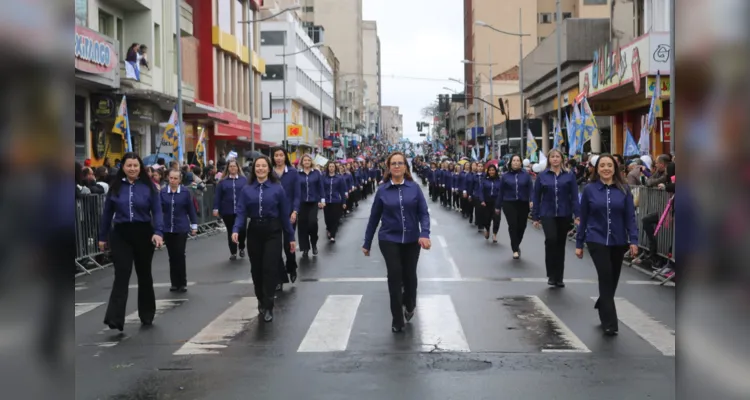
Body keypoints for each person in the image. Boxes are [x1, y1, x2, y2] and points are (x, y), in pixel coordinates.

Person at [362, 152, 431, 333]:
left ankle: (410, 304)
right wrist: (367, 242)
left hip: (411, 239)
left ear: (405, 167)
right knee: (394, 275)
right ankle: (397, 319)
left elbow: (423, 213)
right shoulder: (382, 190)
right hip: (388, 239)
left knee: (409, 276)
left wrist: (424, 233)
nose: (397, 166)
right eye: (394, 163)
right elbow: (374, 217)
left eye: (400, 163)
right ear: (389, 167)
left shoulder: (414, 188)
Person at [98, 152, 164, 331]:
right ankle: (115, 318)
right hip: (121, 234)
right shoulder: (115, 187)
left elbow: (157, 211)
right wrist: (102, 237)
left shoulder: (149, 187)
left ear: (140, 167)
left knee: (144, 274)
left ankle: (147, 314)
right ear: (123, 167)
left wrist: (158, 232)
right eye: (129, 166)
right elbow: (106, 214)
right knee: (122, 274)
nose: (132, 169)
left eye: (135, 165)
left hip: (143, 233)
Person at [576, 154, 638, 336]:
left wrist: (633, 240)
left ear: (615, 168)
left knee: (613, 280)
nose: (605, 168)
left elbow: (630, 218)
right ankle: (610, 323)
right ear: (597, 169)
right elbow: (584, 218)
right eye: (602, 165)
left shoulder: (624, 189)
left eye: (609, 165)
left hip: (618, 240)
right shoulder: (589, 190)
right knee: (605, 277)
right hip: (596, 239)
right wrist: (579, 243)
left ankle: (603, 302)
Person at [232, 156, 296, 323]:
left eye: (263, 166)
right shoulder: (247, 190)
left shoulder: (277, 189)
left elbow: (284, 214)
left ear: (269, 169)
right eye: (257, 166)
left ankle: (268, 305)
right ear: (254, 169)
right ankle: (260, 297)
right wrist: (236, 229)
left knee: (270, 268)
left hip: (273, 231)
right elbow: (240, 212)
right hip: (254, 230)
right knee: (257, 270)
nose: (260, 169)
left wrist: (290, 237)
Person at [532, 149, 580, 288]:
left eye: (557, 156)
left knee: (560, 244)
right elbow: (536, 197)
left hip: (564, 213)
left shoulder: (569, 176)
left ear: (562, 159)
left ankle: (559, 277)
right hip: (547, 213)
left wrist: (578, 215)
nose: (555, 159)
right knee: (551, 240)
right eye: (552, 157)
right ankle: (551, 274)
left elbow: (575, 197)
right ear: (549, 160)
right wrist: (535, 216)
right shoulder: (542, 176)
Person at [160, 169, 198, 293]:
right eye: (171, 178)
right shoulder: (163, 192)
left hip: (181, 227)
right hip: (167, 227)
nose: (173, 181)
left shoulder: (185, 192)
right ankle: (174, 283)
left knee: (180, 254)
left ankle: (182, 282)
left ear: (180, 180)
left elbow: (190, 209)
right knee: (172, 256)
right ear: (168, 178)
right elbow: (159, 210)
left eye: (176, 178)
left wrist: (194, 225)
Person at [495, 154, 533, 259]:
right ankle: (515, 249)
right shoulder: (505, 176)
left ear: (521, 163)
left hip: (523, 203)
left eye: (518, 160)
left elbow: (531, 189)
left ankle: (517, 243)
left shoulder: (526, 176)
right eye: (514, 160)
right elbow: (501, 192)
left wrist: (532, 200)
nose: (516, 162)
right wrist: (497, 206)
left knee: (522, 226)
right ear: (511, 162)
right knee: (513, 225)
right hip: (509, 203)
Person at [271, 147, 300, 287]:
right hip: (273, 214)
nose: (278, 158)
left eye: (281, 155)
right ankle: (278, 278)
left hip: (289, 214)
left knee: (289, 244)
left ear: (285, 157)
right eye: (276, 155)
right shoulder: (269, 173)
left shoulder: (293, 173)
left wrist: (295, 211)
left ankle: (292, 266)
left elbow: (297, 194)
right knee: (275, 247)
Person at [213, 159, 248, 260]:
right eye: (231, 166)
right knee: (231, 231)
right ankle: (233, 252)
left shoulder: (244, 180)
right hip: (227, 211)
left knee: (242, 230)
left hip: (241, 211)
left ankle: (241, 246)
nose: (233, 168)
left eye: (234, 166)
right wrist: (216, 208)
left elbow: (248, 194)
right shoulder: (223, 182)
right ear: (228, 168)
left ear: (238, 168)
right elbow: (218, 196)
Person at [297, 154, 325, 257]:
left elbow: (321, 187)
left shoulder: (316, 173)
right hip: (301, 202)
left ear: (311, 162)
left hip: (313, 202)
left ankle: (314, 244)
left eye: (309, 160)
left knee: (312, 223)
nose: (307, 162)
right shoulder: (298, 174)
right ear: (302, 162)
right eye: (305, 160)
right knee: (302, 225)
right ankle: (305, 248)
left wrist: (322, 200)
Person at [322, 161, 348, 242]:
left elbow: (342, 191)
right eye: (330, 166)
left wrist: (344, 202)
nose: (331, 168)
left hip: (336, 201)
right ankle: (329, 229)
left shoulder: (339, 178)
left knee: (335, 219)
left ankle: (333, 235)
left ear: (335, 168)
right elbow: (321, 189)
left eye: (333, 166)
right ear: (328, 168)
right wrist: (321, 200)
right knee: (327, 219)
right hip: (326, 201)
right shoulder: (324, 177)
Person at [478, 164, 501, 242]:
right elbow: (481, 191)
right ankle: (487, 229)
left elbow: (501, 192)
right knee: (486, 218)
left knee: (496, 219)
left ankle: (494, 234)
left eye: (493, 170)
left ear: (495, 171)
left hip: (496, 202)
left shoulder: (499, 181)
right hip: (486, 202)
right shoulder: (484, 181)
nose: (491, 172)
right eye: (490, 170)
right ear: (488, 171)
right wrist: (482, 200)